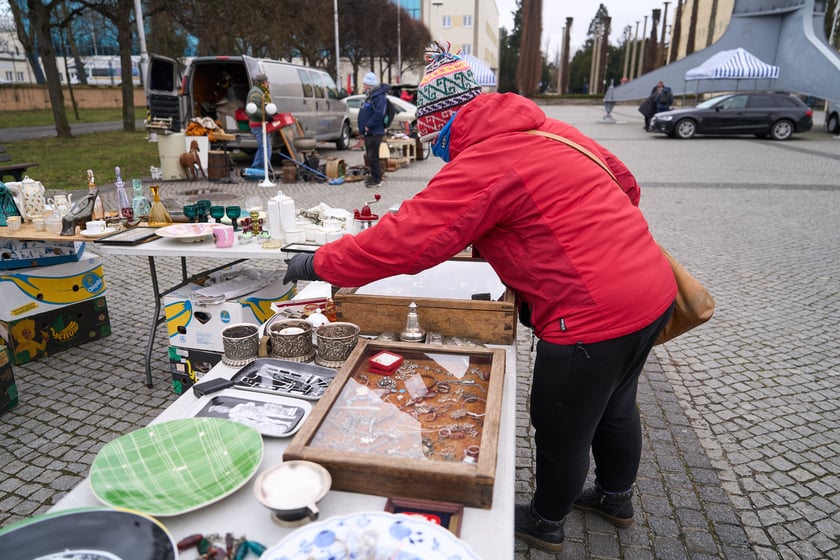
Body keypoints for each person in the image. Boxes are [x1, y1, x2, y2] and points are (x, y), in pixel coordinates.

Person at [283, 42, 677, 553]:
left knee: (562, 422)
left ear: (445, 124)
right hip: (650, 288)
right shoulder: (550, 130)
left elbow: (409, 239)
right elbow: (625, 184)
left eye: (435, 140)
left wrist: (319, 262)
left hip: (591, 313)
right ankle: (616, 497)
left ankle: (547, 520)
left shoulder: (488, 160)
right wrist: (586, 240)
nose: (439, 152)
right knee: (617, 404)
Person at [358, 72, 389, 188]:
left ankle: (377, 179)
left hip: (375, 131)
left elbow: (379, 113)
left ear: (369, 84)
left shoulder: (378, 96)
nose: (363, 85)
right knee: (370, 156)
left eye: (365, 83)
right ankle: (374, 176)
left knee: (373, 156)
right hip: (369, 131)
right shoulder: (370, 95)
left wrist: (368, 125)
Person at [246, 74, 271, 170]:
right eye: (266, 82)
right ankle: (258, 169)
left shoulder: (260, 91)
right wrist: (265, 115)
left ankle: (261, 168)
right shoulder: (256, 92)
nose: (267, 84)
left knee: (264, 147)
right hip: (258, 124)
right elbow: (253, 109)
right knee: (264, 148)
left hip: (260, 123)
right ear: (263, 82)